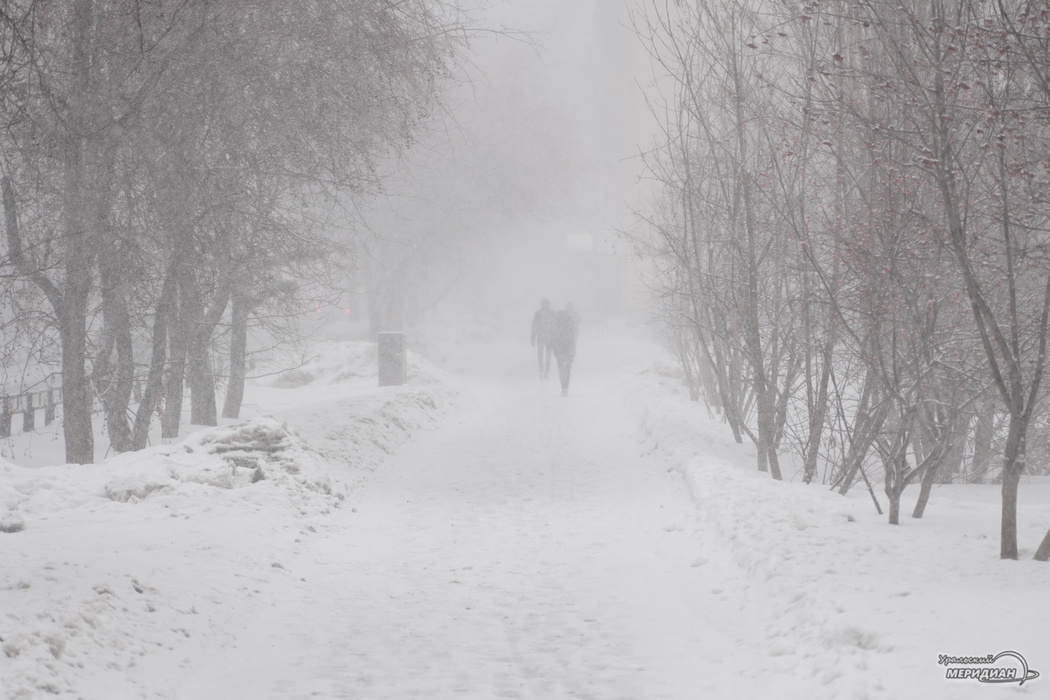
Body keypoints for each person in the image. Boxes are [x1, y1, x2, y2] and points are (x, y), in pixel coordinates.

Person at [550, 306, 578, 396]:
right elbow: (573, 338)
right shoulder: (570, 324)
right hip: (568, 348)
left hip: (559, 349)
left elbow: (553, 338)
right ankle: (566, 387)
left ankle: (563, 387)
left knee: (561, 369)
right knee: (568, 369)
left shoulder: (556, 324)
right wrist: (572, 350)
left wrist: (554, 349)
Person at [530, 299, 556, 379]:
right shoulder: (551, 314)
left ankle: (544, 371)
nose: (544, 306)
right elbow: (534, 326)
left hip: (546, 337)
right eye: (543, 304)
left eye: (545, 304)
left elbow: (534, 327)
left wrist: (533, 338)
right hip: (545, 337)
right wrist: (533, 338)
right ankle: (543, 371)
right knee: (543, 355)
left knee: (544, 355)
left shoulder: (539, 314)